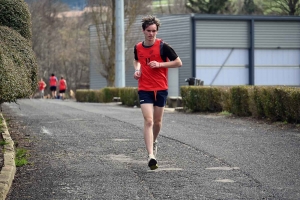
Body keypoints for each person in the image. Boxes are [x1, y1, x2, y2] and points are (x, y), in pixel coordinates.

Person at [133, 15, 182, 170]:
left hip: (160, 88)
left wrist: (160, 64)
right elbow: (137, 60)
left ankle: (154, 141)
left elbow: (178, 62)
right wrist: (137, 70)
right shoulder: (138, 47)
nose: (151, 34)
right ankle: (151, 155)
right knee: (148, 121)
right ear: (143, 30)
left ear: (157, 31)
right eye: (148, 31)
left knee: (157, 122)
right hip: (144, 89)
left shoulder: (163, 46)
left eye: (154, 31)